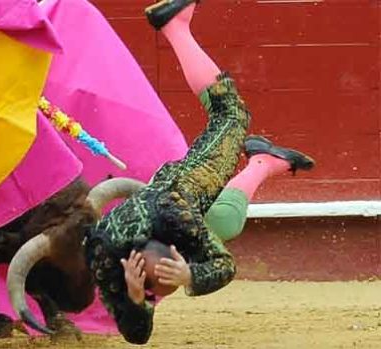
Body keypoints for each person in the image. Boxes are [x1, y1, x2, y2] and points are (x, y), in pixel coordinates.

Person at [84, 0, 316, 344]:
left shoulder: (173, 221)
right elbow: (137, 336)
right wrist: (134, 298)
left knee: (231, 113)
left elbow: (225, 267)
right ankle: (262, 161)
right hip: (166, 202)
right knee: (224, 223)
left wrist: (190, 274)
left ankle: (175, 26)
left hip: (187, 184)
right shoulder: (103, 251)